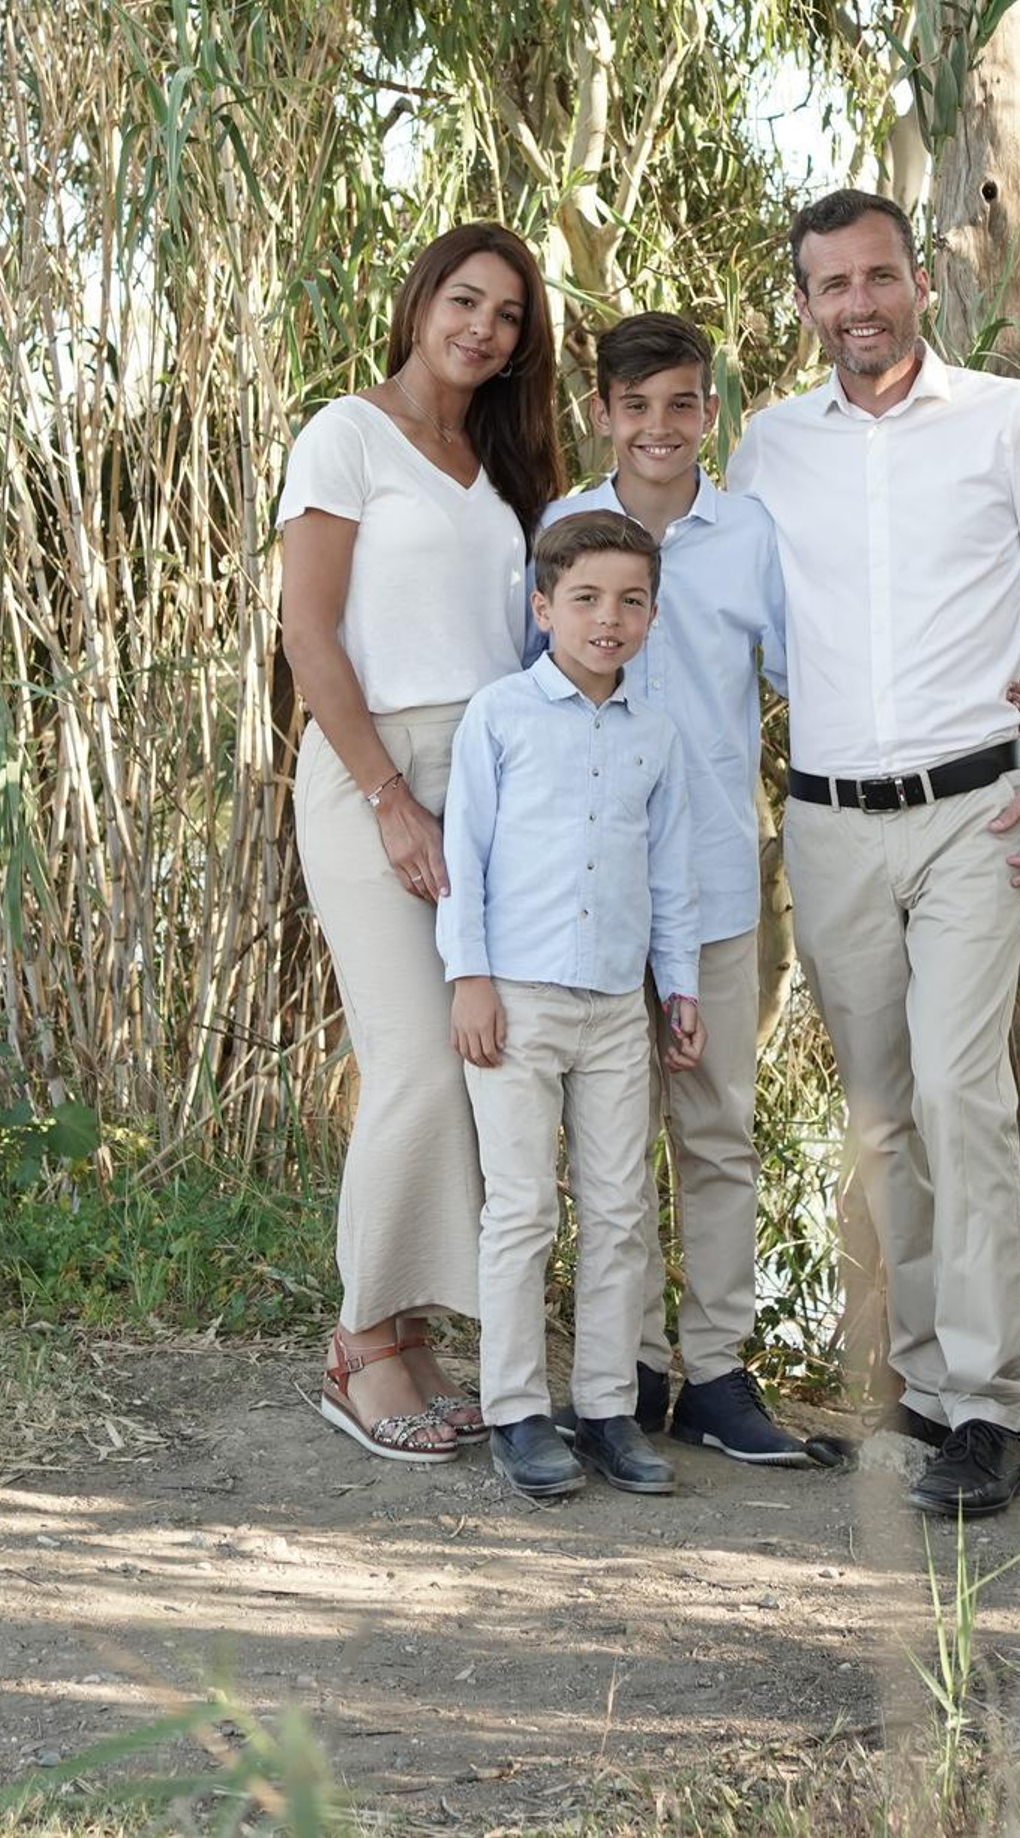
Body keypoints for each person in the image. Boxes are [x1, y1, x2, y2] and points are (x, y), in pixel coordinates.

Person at [729, 190, 1020, 1521]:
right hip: (828, 820)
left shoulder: (1008, 419)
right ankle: (927, 1399)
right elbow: (727, 606)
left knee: (961, 1093)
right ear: (804, 305)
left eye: (879, 277)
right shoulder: (767, 446)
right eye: (832, 286)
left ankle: (994, 1415)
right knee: (885, 1121)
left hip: (975, 813)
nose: (860, 306)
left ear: (919, 286)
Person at [278, 222, 564, 1463]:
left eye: (506, 316)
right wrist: (391, 794)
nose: (483, 329)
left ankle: (412, 1334)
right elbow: (310, 636)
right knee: (408, 1052)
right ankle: (356, 1346)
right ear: (419, 301)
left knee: (473, 1048)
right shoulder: (345, 437)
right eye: (465, 300)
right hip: (370, 769)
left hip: (489, 774)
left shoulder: (499, 466)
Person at [535, 313, 823, 1467]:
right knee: (607, 1137)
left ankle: (714, 1368)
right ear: (602, 412)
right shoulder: (563, 528)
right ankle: (627, 1364)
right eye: (637, 405)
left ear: (713, 413)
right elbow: (537, 697)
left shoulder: (747, 534)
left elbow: (809, 679)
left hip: (710, 878)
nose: (660, 428)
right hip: (594, 892)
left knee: (716, 1130)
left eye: (683, 404)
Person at [440, 510, 706, 1500]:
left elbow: (669, 872)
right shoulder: (501, 716)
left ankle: (604, 1408)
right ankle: (515, 1410)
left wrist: (677, 986)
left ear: (650, 613)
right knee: (519, 1209)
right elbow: (462, 857)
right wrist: (469, 976)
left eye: (631, 600)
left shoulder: (656, 734)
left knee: (620, 1208)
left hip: (613, 1007)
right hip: (514, 999)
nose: (610, 618)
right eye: (586, 598)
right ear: (542, 605)